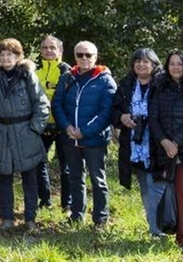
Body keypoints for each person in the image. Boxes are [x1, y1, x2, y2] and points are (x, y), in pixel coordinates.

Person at [0, 37, 49, 232]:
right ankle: (7, 218)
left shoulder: (28, 76)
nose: (6, 58)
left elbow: (42, 104)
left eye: (10, 54)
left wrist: (34, 128)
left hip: (26, 132)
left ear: (18, 56)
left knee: (30, 178)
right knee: (3, 178)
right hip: (0, 134)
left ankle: (30, 219)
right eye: (2, 54)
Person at [111, 46, 176, 237]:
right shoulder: (126, 84)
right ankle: (154, 228)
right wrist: (122, 117)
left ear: (154, 64)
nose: (141, 64)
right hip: (134, 144)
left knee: (157, 186)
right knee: (146, 188)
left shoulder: (163, 84)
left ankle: (163, 228)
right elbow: (114, 109)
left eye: (146, 61)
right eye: (137, 61)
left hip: (157, 144)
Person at [52, 40, 115, 228]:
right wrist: (67, 127)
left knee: (98, 179)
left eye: (89, 55)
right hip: (70, 138)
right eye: (80, 55)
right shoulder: (67, 78)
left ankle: (100, 219)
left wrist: (84, 132)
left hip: (94, 139)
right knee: (75, 177)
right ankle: (76, 215)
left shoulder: (105, 80)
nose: (84, 58)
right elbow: (57, 104)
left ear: (95, 57)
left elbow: (106, 113)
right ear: (75, 56)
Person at [150, 50, 183, 248]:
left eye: (180, 64)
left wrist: (175, 143)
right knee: (173, 191)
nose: (176, 67)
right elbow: (153, 118)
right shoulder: (160, 88)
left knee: (182, 190)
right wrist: (165, 141)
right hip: (166, 150)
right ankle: (172, 230)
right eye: (172, 64)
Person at [35, 34, 64, 210]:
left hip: (62, 125)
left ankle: (67, 203)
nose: (48, 51)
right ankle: (45, 200)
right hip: (40, 124)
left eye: (52, 47)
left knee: (66, 166)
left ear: (60, 50)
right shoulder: (33, 70)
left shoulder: (68, 70)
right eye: (45, 48)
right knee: (39, 163)